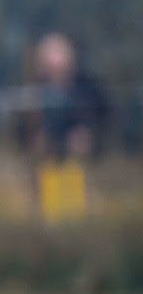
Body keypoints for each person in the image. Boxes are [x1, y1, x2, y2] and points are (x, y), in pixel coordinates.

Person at [27, 33, 111, 223]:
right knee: (51, 218)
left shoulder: (88, 88)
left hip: (86, 166)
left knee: (76, 217)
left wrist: (89, 136)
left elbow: (105, 118)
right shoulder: (33, 92)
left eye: (58, 54)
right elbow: (20, 131)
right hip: (45, 168)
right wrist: (35, 140)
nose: (54, 62)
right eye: (48, 57)